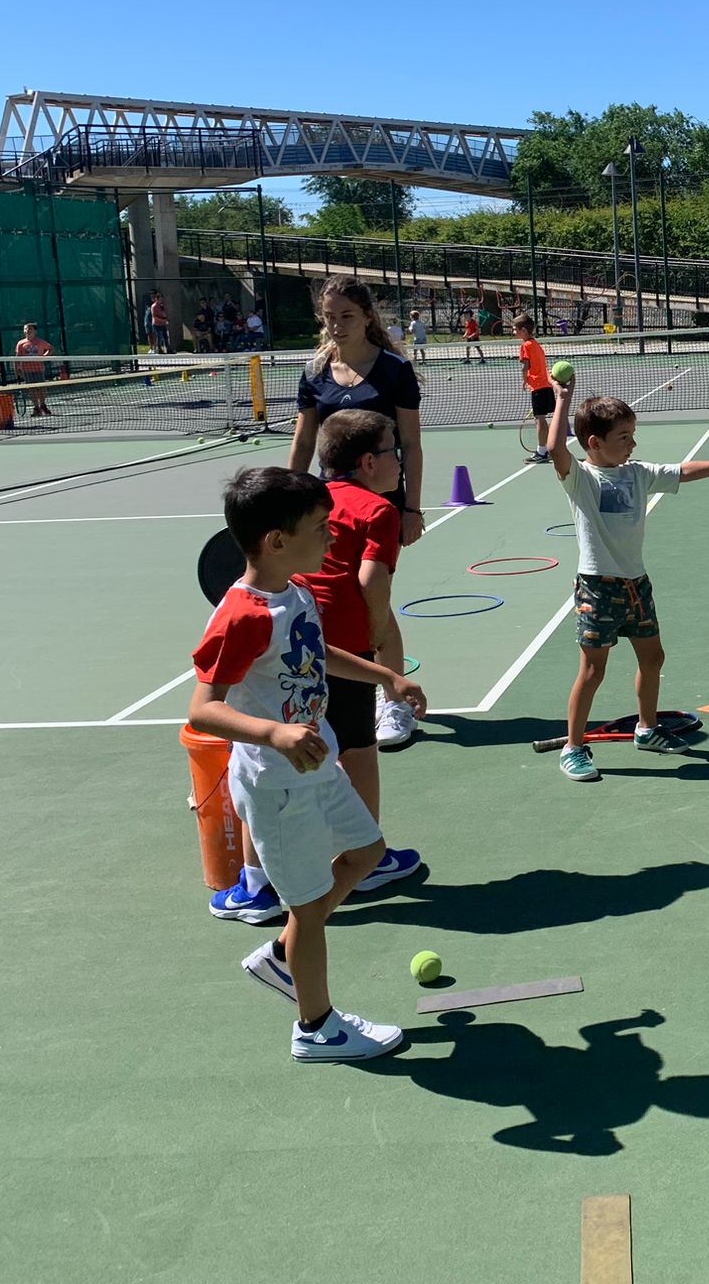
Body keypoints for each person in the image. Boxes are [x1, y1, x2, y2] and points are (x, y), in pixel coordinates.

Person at [188, 466, 425, 1063]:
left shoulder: (295, 590)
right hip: (277, 786)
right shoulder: (242, 615)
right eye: (320, 528)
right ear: (275, 540)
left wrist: (385, 677)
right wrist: (274, 733)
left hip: (318, 766)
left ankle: (281, 953)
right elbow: (203, 710)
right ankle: (316, 1027)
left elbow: (316, 654)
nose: (331, 537)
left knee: (367, 853)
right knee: (308, 909)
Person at [542, 381, 709, 783]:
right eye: (624, 437)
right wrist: (562, 399)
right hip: (597, 587)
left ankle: (647, 728)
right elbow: (555, 450)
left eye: (633, 434)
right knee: (593, 671)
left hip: (636, 585)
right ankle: (573, 747)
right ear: (594, 443)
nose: (632, 443)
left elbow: (682, 471)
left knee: (653, 658)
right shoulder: (580, 478)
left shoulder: (638, 474)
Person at [285, 276, 426, 750]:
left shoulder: (393, 370)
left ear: (367, 316)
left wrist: (411, 506)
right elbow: (305, 440)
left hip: (381, 503)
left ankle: (394, 701)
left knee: (375, 597)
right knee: (332, 598)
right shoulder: (315, 371)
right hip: (327, 504)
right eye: (329, 317)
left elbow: (411, 444)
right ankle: (343, 693)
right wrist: (286, 499)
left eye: (346, 315)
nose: (337, 325)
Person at [292, 409, 422, 888]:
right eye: (394, 452)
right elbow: (371, 580)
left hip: (295, 641)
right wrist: (376, 634)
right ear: (368, 461)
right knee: (359, 749)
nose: (399, 462)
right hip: (345, 644)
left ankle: (268, 870)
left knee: (299, 745)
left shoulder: (306, 499)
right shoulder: (379, 510)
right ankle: (366, 858)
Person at [515, 313, 555, 464]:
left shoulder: (525, 345)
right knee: (542, 419)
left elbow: (525, 366)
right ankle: (546, 449)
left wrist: (524, 380)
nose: (514, 332)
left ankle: (541, 452)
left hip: (538, 387)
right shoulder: (536, 344)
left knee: (539, 420)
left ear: (524, 330)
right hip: (545, 386)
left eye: (515, 329)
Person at [14, 322, 53, 417]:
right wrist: (16, 368)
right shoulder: (21, 343)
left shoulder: (40, 342)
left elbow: (51, 349)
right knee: (32, 389)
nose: (27, 331)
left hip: (38, 369)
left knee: (42, 388)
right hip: (26, 370)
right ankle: (36, 408)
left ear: (35, 331)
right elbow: (17, 357)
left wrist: (44, 356)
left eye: (30, 329)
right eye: (26, 329)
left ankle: (43, 405)